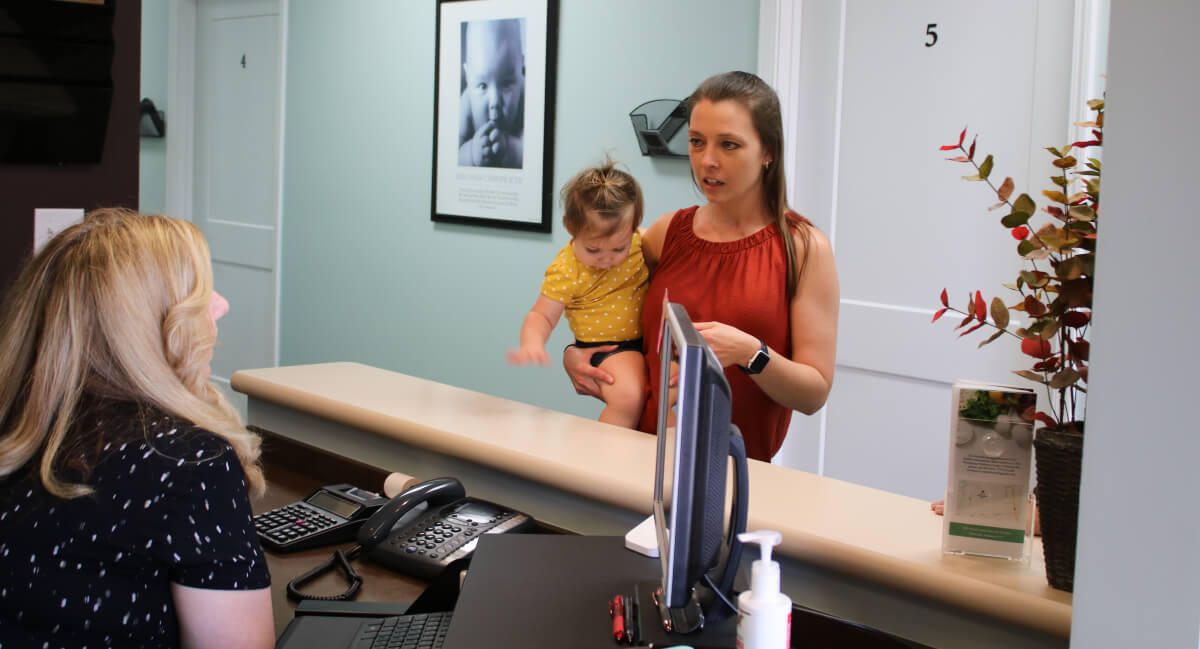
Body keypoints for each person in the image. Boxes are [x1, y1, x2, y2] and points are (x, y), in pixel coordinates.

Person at [0, 208, 275, 649]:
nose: (220, 305)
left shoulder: (22, 429)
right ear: (145, 327)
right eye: (199, 294)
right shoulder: (186, 461)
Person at [563, 71, 840, 462]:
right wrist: (578, 352)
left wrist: (749, 353)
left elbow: (814, 394)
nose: (707, 161)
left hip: (736, 477)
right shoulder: (665, 234)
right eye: (696, 142)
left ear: (768, 152)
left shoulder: (804, 249)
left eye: (729, 145)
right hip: (640, 462)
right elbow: (606, 309)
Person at [508, 159, 650, 428]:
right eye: (594, 250)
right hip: (606, 348)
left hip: (645, 341)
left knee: (663, 405)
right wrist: (532, 343)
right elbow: (541, 315)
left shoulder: (640, 241)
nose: (607, 259)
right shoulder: (567, 269)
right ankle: (606, 453)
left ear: (633, 228)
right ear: (570, 228)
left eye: (618, 249)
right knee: (628, 397)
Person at [458, 17, 525, 169]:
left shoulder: (526, 95)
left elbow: (533, 152)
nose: (495, 101)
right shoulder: (466, 101)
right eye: (482, 86)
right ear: (468, 76)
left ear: (521, 67)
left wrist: (510, 149)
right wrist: (471, 154)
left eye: (507, 83)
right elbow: (451, 155)